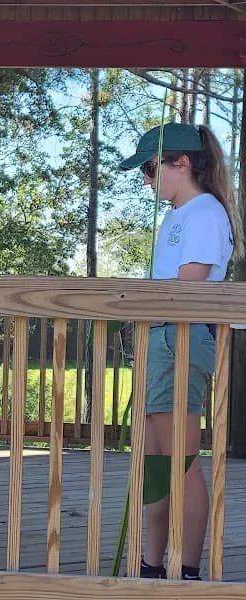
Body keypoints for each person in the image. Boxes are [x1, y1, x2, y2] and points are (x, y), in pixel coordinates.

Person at [119, 122, 244, 580]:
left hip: (180, 339)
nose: (147, 180)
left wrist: (145, 311)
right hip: (162, 338)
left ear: (183, 162)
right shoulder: (178, 215)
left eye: (151, 168)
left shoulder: (205, 212)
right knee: (157, 458)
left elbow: (191, 283)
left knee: (181, 461)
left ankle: (187, 567)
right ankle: (152, 562)